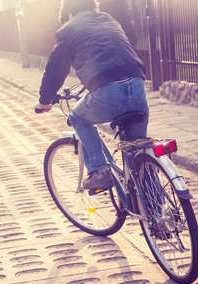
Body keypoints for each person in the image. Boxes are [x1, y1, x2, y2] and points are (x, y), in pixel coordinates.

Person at [34, 0, 149, 191]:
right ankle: (157, 213)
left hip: (109, 92)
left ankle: (99, 171)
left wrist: (44, 100)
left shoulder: (68, 29)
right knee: (139, 159)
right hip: (137, 86)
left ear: (67, 14)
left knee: (77, 117)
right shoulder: (107, 19)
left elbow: (55, 69)